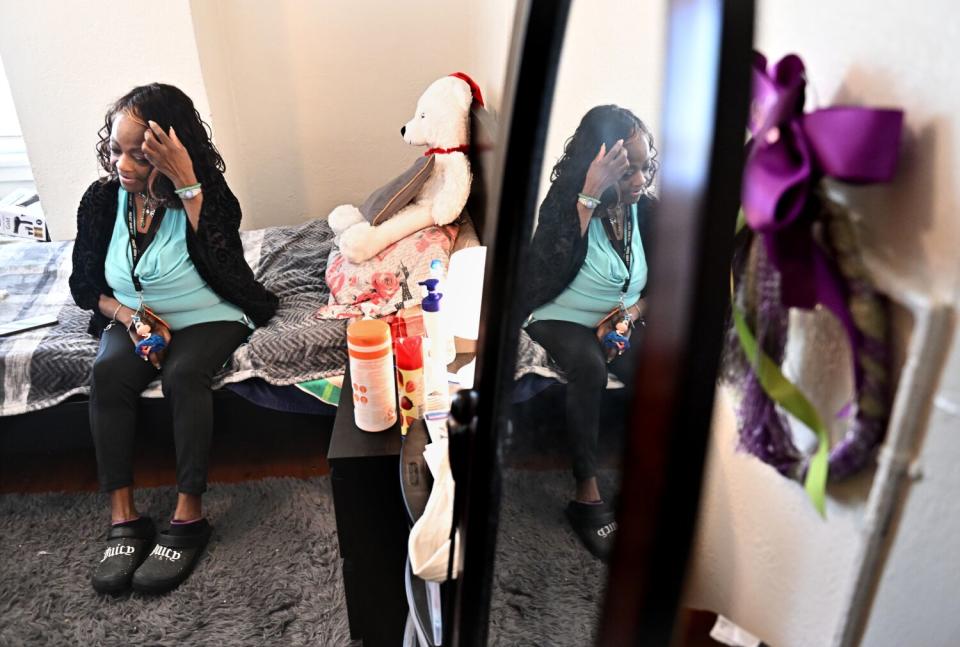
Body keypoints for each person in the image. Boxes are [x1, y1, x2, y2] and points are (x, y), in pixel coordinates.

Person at [69, 83, 278, 594]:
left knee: (185, 373)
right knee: (108, 372)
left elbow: (227, 265)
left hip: (210, 313)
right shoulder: (101, 200)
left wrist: (188, 184)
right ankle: (125, 518)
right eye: (116, 150)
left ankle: (188, 516)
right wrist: (126, 317)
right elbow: (84, 285)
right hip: (135, 318)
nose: (122, 164)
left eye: (138, 154)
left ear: (171, 146)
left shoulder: (210, 196)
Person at [523, 105, 657, 560]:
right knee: (587, 365)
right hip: (558, 314)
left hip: (620, 318)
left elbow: (661, 284)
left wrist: (632, 315)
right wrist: (589, 196)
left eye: (644, 167)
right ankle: (586, 495)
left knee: (658, 367)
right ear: (599, 166)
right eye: (627, 171)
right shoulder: (565, 202)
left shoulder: (646, 211)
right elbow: (544, 272)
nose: (639, 180)